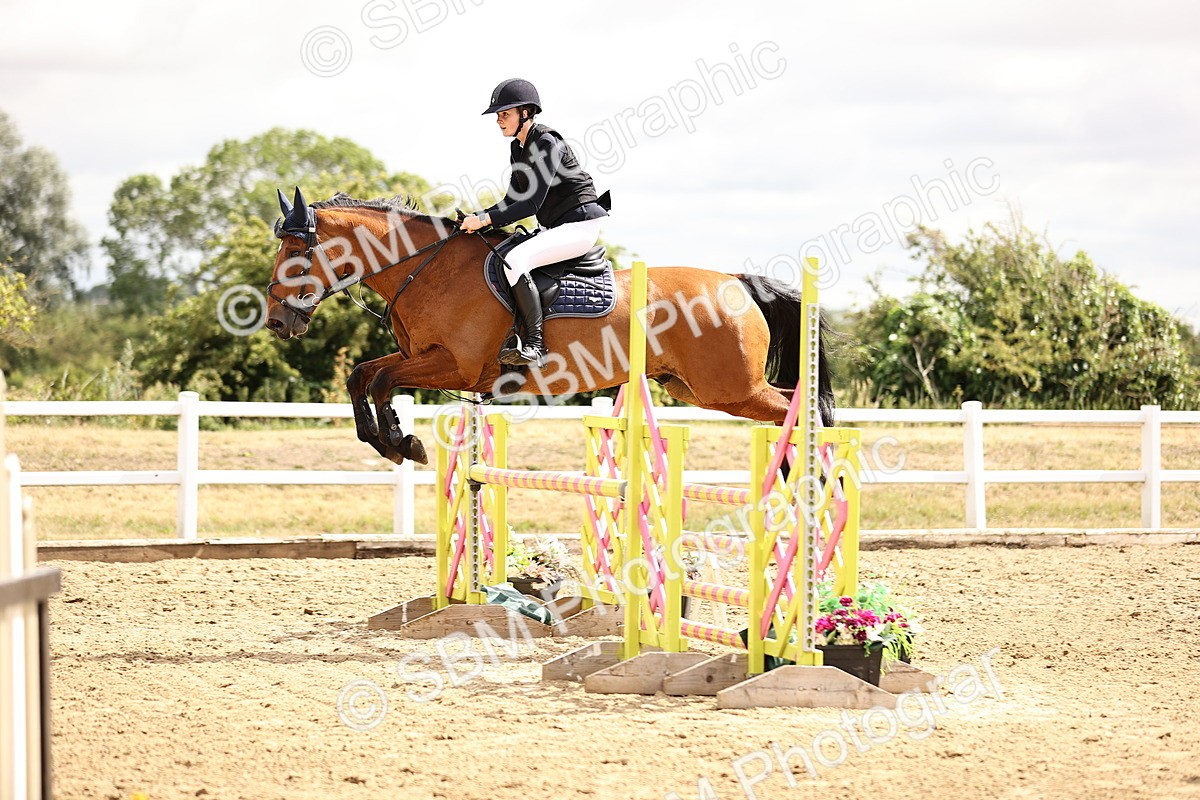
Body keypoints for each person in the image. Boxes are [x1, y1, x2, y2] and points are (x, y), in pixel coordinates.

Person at [460, 78, 609, 367]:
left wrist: (485, 219)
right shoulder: (519, 147)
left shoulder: (546, 142)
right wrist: (478, 219)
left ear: (525, 113)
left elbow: (531, 204)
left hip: (579, 226)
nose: (499, 121)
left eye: (505, 114)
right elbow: (511, 199)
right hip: (556, 227)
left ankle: (535, 345)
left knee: (514, 261)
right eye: (499, 116)